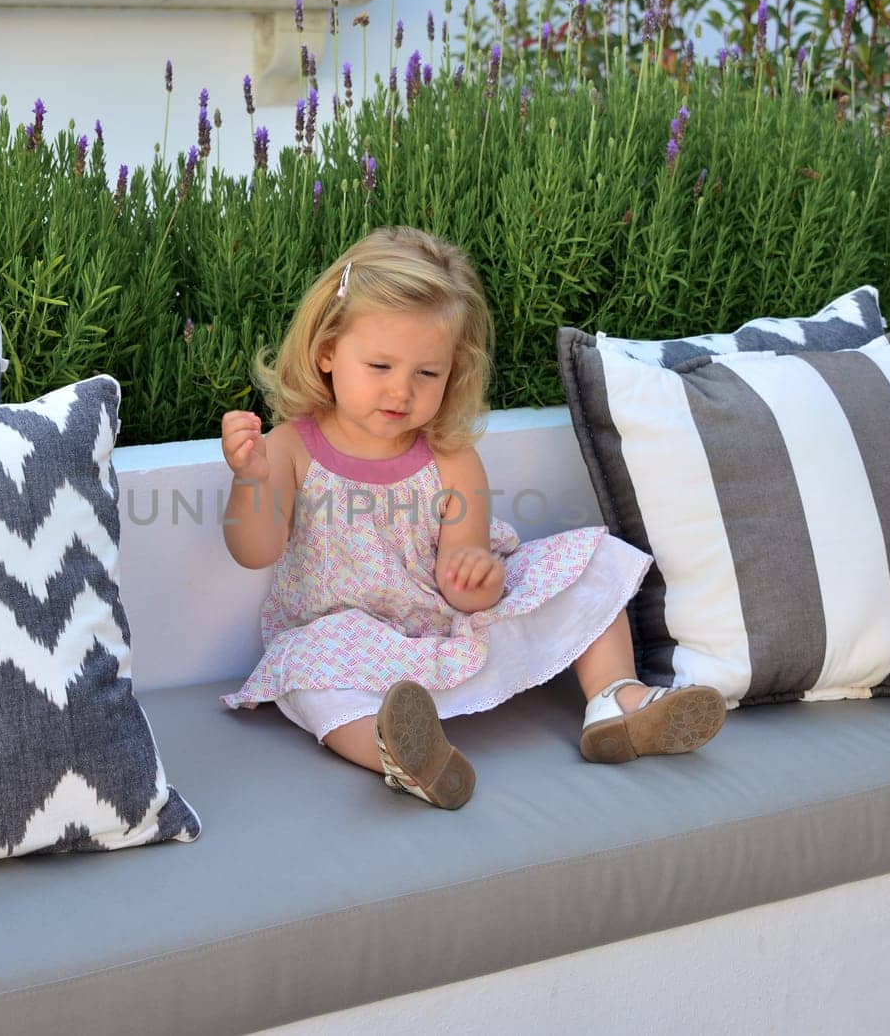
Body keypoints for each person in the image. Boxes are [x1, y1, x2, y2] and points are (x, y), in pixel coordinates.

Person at [218, 227, 725, 809]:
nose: (401, 391)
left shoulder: (450, 458)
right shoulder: (290, 448)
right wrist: (252, 478)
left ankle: (617, 701)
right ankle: (401, 751)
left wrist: (475, 578)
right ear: (328, 351)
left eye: (426, 374)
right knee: (304, 669)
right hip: (347, 639)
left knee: (589, 560)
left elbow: (465, 581)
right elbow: (255, 550)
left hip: (443, 625)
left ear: (451, 373)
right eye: (380, 364)